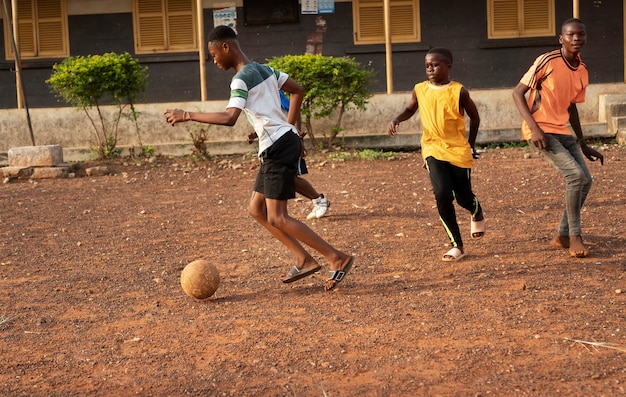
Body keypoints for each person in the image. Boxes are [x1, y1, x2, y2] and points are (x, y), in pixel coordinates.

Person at [164, 25, 353, 290]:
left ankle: (337, 258)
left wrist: (187, 115)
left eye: (214, 54)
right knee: (256, 209)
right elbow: (298, 90)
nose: (214, 60)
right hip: (279, 142)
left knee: (278, 217)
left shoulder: (240, 79)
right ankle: (303, 258)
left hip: (277, 146)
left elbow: (230, 118)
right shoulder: (264, 69)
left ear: (226, 47)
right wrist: (287, 126)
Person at [512, 18, 604, 258]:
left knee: (586, 179)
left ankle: (562, 235)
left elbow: (572, 108)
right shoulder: (547, 61)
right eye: (570, 35)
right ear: (561, 39)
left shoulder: (582, 70)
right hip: (541, 129)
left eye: (580, 35)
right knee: (575, 176)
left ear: (585, 38)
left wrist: (583, 143)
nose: (576, 39)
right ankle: (575, 237)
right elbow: (517, 92)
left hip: (562, 130)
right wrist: (533, 129)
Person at [387, 47, 485, 262]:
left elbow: (475, 118)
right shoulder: (420, 89)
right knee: (442, 195)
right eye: (427, 66)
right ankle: (456, 245)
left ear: (448, 67)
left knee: (463, 197)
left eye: (435, 65)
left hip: (458, 149)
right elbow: (410, 109)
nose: (430, 69)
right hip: (432, 148)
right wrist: (396, 119)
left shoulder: (459, 91)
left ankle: (476, 210)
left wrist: (471, 144)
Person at [248, 90, 330, 220]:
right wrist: (255, 134)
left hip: (286, 142)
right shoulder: (253, 94)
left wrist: (297, 136)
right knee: (282, 177)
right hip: (273, 144)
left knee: (288, 177)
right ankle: (264, 209)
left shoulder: (269, 90)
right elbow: (270, 122)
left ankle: (319, 200)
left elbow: (294, 109)